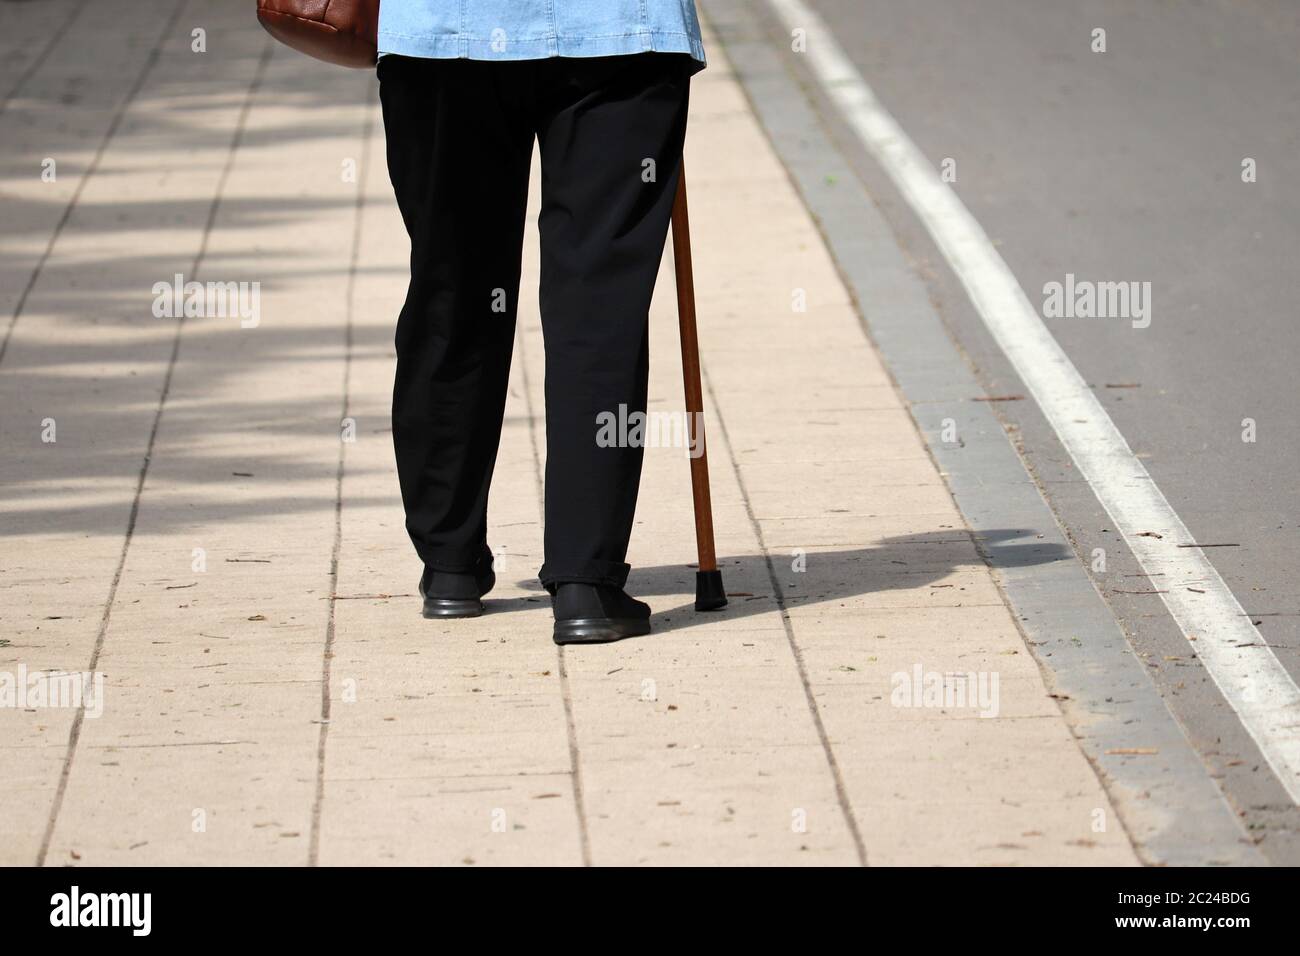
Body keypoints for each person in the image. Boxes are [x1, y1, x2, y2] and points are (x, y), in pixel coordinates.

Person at [376, 2, 706, 644]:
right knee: (599, 306)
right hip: (619, 34)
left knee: (455, 287)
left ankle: (450, 565)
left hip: (444, 34)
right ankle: (587, 585)